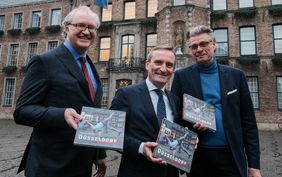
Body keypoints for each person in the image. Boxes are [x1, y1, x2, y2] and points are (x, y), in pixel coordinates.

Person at [13, 6, 107, 177]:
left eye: (91, 27)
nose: (86, 31)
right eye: (80, 25)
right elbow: (22, 112)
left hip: (82, 164)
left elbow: (93, 112)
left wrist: (99, 154)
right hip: (50, 165)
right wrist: (61, 114)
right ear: (66, 28)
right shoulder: (44, 61)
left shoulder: (91, 67)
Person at [171, 25, 262, 177]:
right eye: (194, 46)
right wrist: (190, 122)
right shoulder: (182, 76)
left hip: (231, 154)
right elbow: (175, 113)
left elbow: (249, 123)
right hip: (198, 155)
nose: (199, 49)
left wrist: (254, 165)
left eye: (204, 44)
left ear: (214, 45)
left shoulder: (236, 76)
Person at [110, 46, 180, 177]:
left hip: (169, 172)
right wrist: (141, 147)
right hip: (137, 171)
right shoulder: (126, 94)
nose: (163, 69)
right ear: (147, 65)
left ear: (173, 69)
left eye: (169, 65)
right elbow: (111, 134)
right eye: (158, 62)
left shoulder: (174, 99)